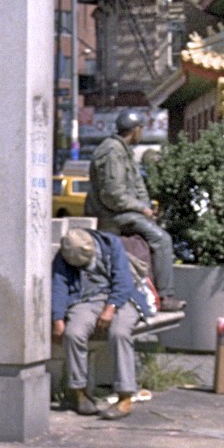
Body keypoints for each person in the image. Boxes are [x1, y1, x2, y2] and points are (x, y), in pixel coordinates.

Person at [84, 109, 185, 311]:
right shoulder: (112, 151)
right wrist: (141, 209)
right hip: (112, 215)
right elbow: (113, 195)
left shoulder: (123, 150)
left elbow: (137, 187)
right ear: (135, 130)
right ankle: (165, 296)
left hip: (122, 211)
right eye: (141, 129)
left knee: (155, 230)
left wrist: (147, 209)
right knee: (161, 239)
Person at [51, 228, 152, 420]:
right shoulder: (64, 254)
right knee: (73, 333)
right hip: (85, 300)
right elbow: (59, 286)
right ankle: (80, 392)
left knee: (119, 332)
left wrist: (110, 307)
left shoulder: (111, 245)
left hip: (122, 299)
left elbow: (123, 281)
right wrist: (58, 319)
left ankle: (125, 396)